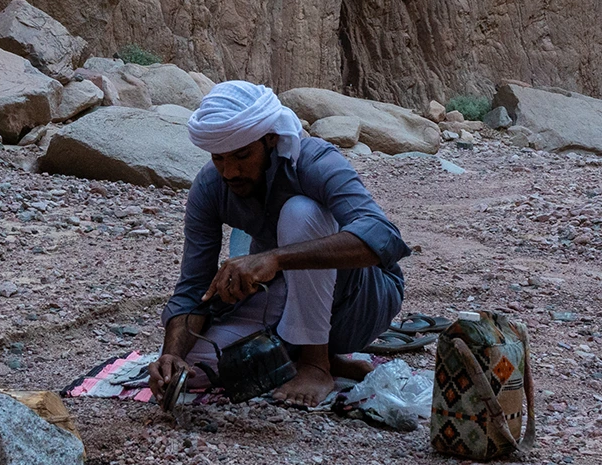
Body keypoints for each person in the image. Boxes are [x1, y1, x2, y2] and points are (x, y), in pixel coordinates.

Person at [150, 81, 409, 407]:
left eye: (242, 155)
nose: (230, 171)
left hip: (362, 300)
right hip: (285, 298)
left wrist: (275, 259)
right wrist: (170, 355)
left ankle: (317, 364)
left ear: (270, 139)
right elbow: (193, 289)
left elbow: (381, 237)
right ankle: (318, 357)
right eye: (219, 158)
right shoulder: (210, 185)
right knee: (198, 369)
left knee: (302, 213)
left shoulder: (313, 159)